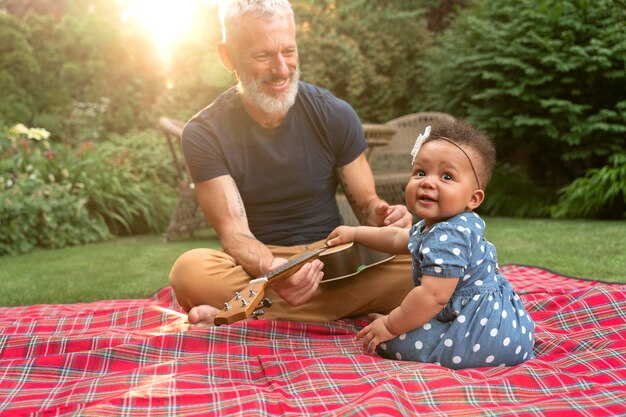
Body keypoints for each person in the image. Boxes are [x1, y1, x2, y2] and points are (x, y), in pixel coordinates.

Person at [168, 0, 414, 327]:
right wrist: (275, 270)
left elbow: (367, 204)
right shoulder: (204, 132)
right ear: (228, 56)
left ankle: (246, 311)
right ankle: (325, 309)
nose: (282, 69)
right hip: (260, 265)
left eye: (289, 51)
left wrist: (385, 213)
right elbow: (235, 235)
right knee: (189, 270)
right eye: (263, 55)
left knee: (432, 261)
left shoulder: (335, 114)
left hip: (331, 258)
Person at [326, 121, 536, 369]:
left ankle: (449, 348)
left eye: (447, 176)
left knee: (391, 341)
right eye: (420, 172)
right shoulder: (441, 225)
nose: (427, 182)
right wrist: (355, 232)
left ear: (473, 198)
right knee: (409, 315)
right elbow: (396, 238)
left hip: (483, 334)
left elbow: (432, 296)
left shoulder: (449, 235)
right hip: (504, 326)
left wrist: (390, 325)